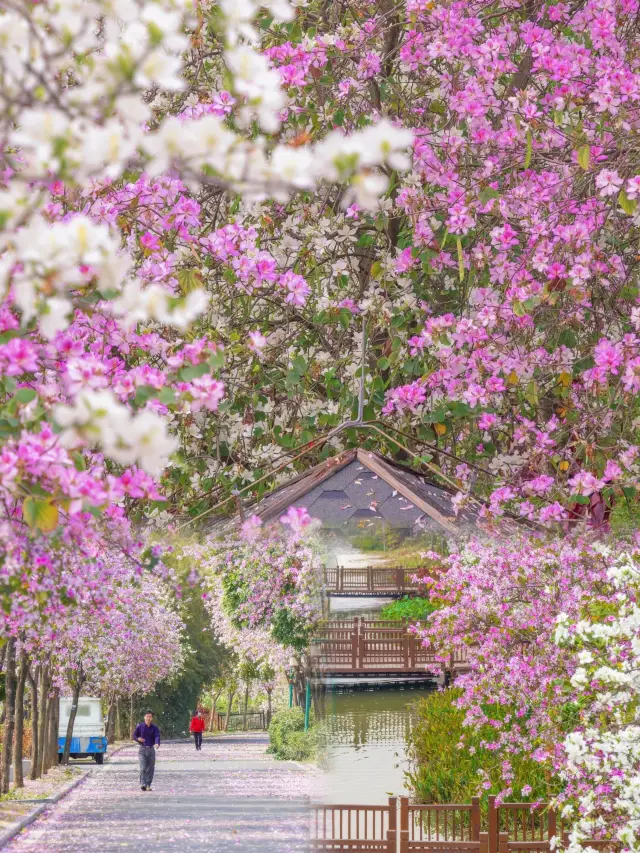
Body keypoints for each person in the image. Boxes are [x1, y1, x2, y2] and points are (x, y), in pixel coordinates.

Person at [133, 710, 160, 791]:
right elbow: (134, 735)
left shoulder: (155, 727)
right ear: (144, 717)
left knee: (150, 769)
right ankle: (143, 784)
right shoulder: (140, 726)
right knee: (143, 768)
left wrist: (157, 743)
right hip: (142, 749)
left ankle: (148, 785)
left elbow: (157, 736)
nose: (148, 718)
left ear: (152, 718)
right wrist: (138, 739)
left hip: (151, 750)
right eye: (147, 716)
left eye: (150, 717)